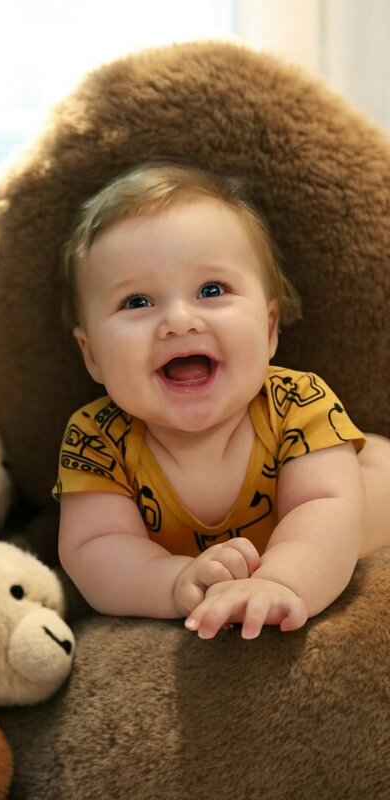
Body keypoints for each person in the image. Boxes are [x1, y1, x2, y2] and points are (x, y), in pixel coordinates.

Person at [55, 163, 390, 639]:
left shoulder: (298, 402)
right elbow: (96, 549)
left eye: (211, 290)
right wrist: (173, 581)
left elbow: (325, 512)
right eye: (137, 302)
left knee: (373, 475)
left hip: (368, 489)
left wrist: (279, 582)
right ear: (91, 356)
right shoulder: (96, 439)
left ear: (270, 328)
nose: (179, 320)